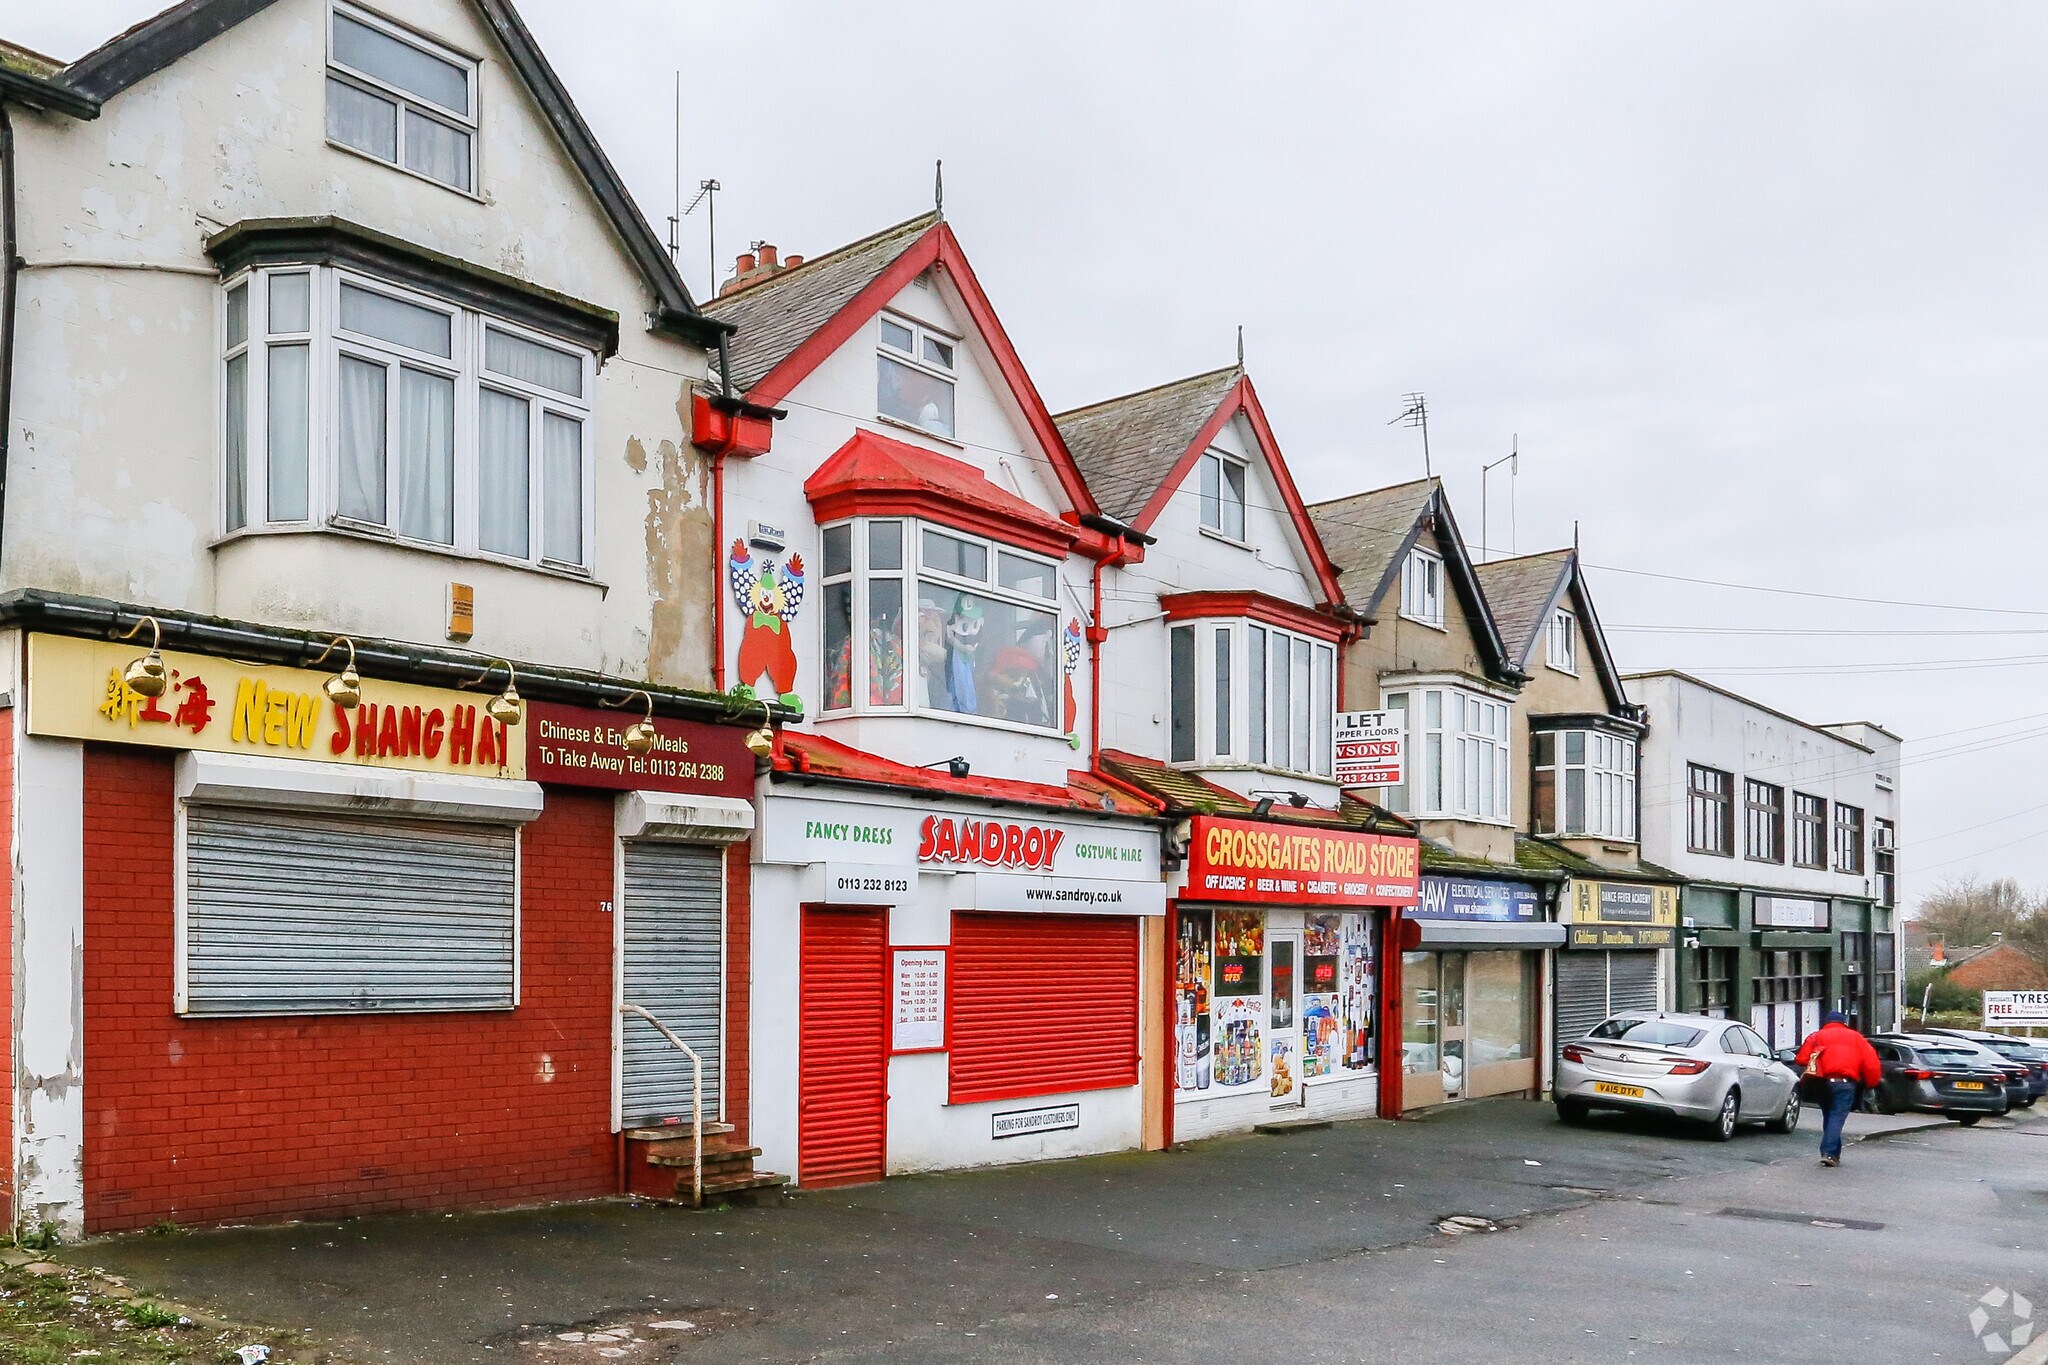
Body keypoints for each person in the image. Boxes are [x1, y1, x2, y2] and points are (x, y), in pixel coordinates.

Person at [1793, 1011, 1883, 1167]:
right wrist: (1871, 1083)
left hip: (1821, 1083)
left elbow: (1801, 1058)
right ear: (1844, 1023)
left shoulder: (1816, 1036)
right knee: (1837, 1117)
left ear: (1826, 1022)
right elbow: (1871, 1064)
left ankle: (1834, 1154)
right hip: (1845, 1083)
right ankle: (1828, 1153)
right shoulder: (1857, 1039)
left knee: (1830, 1116)